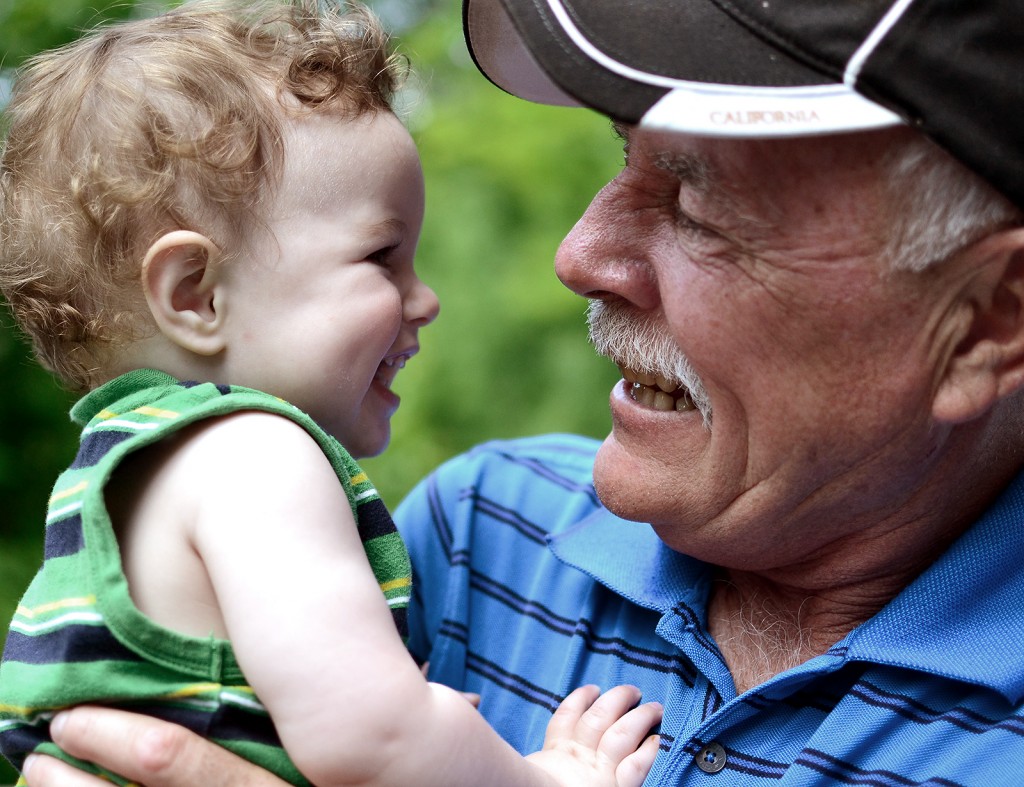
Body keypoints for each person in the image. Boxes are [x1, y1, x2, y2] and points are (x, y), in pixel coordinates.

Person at [15, 0, 1024, 784]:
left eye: (700, 202)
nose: (577, 255)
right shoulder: (478, 531)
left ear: (988, 319)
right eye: (615, 157)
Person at [0, 2, 666, 786]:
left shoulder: (109, 479)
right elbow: (374, 737)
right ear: (195, 294)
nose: (425, 300)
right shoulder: (255, 453)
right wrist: (546, 779)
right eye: (383, 256)